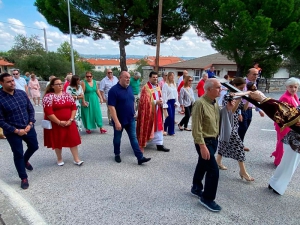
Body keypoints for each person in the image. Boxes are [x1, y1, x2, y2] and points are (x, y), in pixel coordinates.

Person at [191, 78, 235, 212]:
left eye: (220, 87)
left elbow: (218, 118)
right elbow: (196, 128)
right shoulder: (200, 104)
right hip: (204, 141)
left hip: (213, 140)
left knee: (202, 164)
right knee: (213, 170)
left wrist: (227, 109)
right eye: (217, 87)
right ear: (209, 89)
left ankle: (196, 187)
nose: (220, 89)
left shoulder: (214, 102)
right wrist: (202, 146)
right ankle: (207, 198)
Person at [0, 73, 39, 189]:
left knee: (34, 146)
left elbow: (30, 110)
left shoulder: (21, 93)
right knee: (18, 154)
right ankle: (23, 177)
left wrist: (30, 123)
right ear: (1, 83)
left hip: (28, 127)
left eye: (13, 80)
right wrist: (16, 131)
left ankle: (25, 160)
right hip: (12, 132)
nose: (12, 83)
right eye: (8, 81)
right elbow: (0, 120)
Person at [108, 71, 151, 165]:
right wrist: (116, 122)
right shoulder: (113, 90)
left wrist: (134, 111)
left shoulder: (130, 88)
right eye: (126, 77)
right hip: (119, 120)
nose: (128, 79)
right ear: (120, 77)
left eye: (129, 77)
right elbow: (111, 107)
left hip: (130, 119)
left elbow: (132, 101)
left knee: (133, 138)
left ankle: (140, 158)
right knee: (117, 138)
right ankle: (117, 154)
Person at [216, 78, 254, 181]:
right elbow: (231, 110)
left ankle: (217, 162)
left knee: (224, 143)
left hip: (234, 124)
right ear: (235, 86)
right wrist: (240, 97)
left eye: (243, 88)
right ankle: (243, 171)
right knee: (240, 146)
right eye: (241, 88)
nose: (242, 89)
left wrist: (247, 99)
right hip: (228, 124)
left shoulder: (238, 96)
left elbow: (244, 108)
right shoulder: (228, 96)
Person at [43, 77, 83, 166]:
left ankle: (76, 159)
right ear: (52, 86)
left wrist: (71, 119)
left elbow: (73, 107)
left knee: (73, 139)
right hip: (56, 123)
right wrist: (59, 122)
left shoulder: (67, 95)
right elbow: (48, 112)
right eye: (57, 84)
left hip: (69, 122)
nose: (60, 85)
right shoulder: (48, 97)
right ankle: (59, 158)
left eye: (61, 83)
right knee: (58, 140)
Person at [137, 71, 170, 152]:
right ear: (149, 78)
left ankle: (159, 144)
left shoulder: (158, 86)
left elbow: (160, 95)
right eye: (153, 77)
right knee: (149, 127)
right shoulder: (146, 88)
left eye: (156, 77)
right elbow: (144, 101)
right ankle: (142, 144)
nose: (155, 79)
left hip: (158, 110)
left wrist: (161, 100)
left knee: (159, 127)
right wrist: (155, 102)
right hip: (149, 112)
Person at [270, 78, 300, 166]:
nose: (293, 89)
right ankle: (278, 162)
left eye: (295, 87)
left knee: (285, 143)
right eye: (291, 87)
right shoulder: (285, 98)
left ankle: (280, 159)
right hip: (284, 124)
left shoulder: (294, 96)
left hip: (291, 124)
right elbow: (282, 114)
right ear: (286, 87)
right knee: (282, 144)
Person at [238, 68, 264, 151]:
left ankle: (239, 143)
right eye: (254, 74)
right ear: (248, 75)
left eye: (257, 74)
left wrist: (259, 110)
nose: (256, 76)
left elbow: (254, 98)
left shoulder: (254, 84)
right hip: (242, 109)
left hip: (249, 109)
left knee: (245, 127)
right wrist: (239, 113)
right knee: (242, 127)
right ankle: (239, 145)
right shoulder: (242, 84)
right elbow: (238, 98)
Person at [268, 130, 300, 195]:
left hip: (292, 136)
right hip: (296, 140)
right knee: (290, 166)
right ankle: (278, 186)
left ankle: (274, 183)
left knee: (285, 163)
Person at [162, 72, 180, 136]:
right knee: (170, 116)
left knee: (172, 117)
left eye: (173, 76)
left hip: (173, 101)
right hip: (168, 101)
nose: (172, 77)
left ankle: (171, 131)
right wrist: (164, 103)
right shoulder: (165, 85)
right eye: (171, 76)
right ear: (168, 77)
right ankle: (165, 128)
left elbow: (176, 94)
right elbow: (164, 94)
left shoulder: (174, 84)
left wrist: (176, 101)